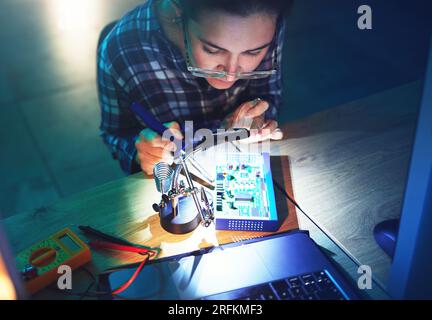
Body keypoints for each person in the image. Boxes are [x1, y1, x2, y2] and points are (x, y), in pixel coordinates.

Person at [97, 0, 292, 175]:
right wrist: (141, 152)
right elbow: (116, 134)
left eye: (253, 52)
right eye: (212, 49)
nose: (231, 73)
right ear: (177, 13)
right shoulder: (120, 51)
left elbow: (269, 95)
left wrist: (257, 118)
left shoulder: (266, 22)